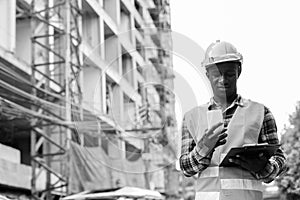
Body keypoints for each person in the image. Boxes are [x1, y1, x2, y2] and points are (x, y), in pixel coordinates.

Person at [179, 40, 286, 200]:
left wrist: (264, 167)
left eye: (229, 73)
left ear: (239, 71)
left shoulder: (261, 113)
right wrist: (203, 149)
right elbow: (186, 168)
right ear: (207, 75)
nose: (223, 80)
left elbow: (280, 160)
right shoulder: (191, 117)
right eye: (216, 74)